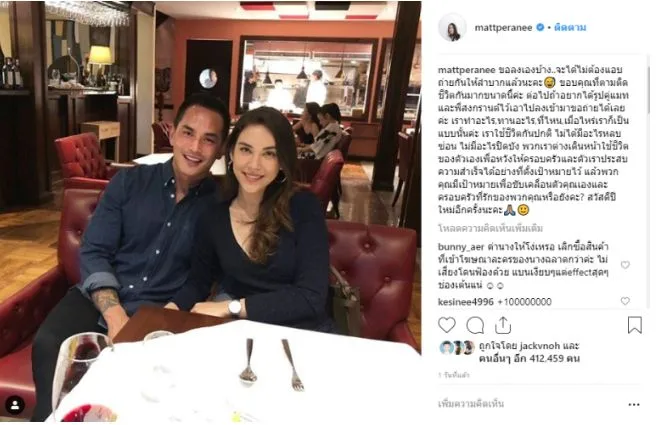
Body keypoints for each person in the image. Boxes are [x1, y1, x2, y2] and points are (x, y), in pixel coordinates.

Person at [29, 93, 230, 421]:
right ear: (173, 133)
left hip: (158, 312)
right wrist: (115, 315)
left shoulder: (220, 206)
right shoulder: (129, 182)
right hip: (98, 298)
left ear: (220, 149)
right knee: (50, 344)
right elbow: (95, 250)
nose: (195, 148)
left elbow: (201, 278)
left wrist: (164, 316)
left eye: (209, 139)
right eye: (188, 133)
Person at [165, 107, 335, 333]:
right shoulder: (213, 215)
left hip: (303, 334)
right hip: (243, 335)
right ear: (231, 153)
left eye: (269, 154)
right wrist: (168, 312)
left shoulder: (303, 207)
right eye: (246, 150)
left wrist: (232, 307)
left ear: (282, 161)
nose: (254, 165)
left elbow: (311, 297)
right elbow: (198, 283)